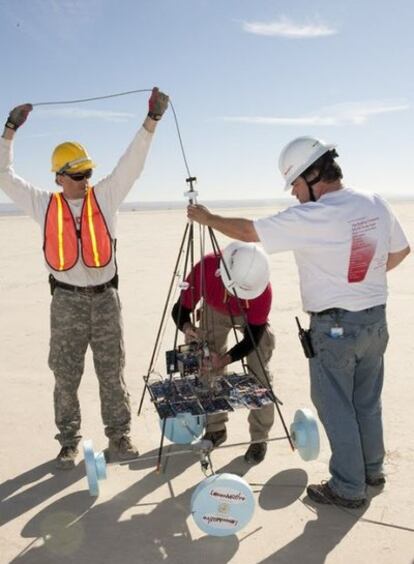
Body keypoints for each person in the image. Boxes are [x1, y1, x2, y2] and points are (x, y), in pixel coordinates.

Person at [187, 136, 410, 506]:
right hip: (375, 320)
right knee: (366, 401)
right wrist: (362, 279)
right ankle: (373, 471)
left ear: (313, 174)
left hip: (335, 327)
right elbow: (401, 251)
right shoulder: (373, 202)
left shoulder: (313, 215)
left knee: (335, 403)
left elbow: (249, 232)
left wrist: (207, 218)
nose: (293, 192)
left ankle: (348, 487)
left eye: (294, 183)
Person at [0, 87, 169, 469]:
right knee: (65, 375)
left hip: (106, 299)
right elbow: (2, 173)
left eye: (88, 173)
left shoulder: (105, 197)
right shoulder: (43, 205)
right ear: (59, 178)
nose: (85, 180)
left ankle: (120, 437)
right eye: (77, 175)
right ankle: (68, 442)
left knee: (112, 371)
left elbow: (133, 163)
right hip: (67, 301)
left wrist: (152, 119)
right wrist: (10, 130)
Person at [172, 241, 276, 464]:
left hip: (249, 319)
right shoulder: (207, 267)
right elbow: (180, 309)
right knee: (206, 367)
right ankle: (216, 428)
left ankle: (260, 438)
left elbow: (253, 338)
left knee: (259, 375)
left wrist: (226, 359)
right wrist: (188, 329)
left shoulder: (263, 290)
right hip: (214, 309)